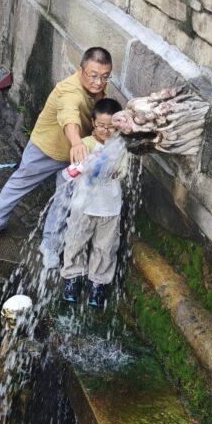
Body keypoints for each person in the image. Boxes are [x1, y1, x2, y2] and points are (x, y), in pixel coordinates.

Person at [0, 47, 113, 244]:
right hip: (46, 149)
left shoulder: (99, 90)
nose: (99, 82)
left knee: (65, 199)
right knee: (19, 183)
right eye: (93, 76)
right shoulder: (68, 90)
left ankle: (50, 243)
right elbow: (69, 114)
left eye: (105, 77)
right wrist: (75, 142)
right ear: (80, 70)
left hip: (75, 157)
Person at [58, 98, 126, 308]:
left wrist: (116, 170)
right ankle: (72, 278)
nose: (105, 131)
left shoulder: (121, 147)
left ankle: (98, 283)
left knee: (105, 247)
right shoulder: (85, 144)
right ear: (93, 122)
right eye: (101, 125)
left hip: (110, 207)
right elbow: (73, 169)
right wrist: (81, 165)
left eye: (111, 127)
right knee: (76, 240)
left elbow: (123, 171)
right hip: (83, 206)